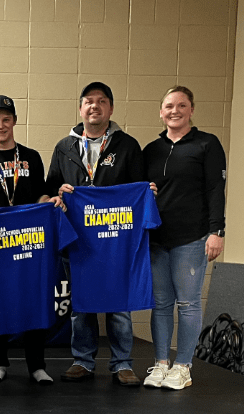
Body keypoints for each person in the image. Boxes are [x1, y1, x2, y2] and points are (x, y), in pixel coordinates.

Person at [46, 82, 144, 386]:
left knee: (119, 304)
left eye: (101, 101)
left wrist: (147, 192)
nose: (94, 106)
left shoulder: (127, 146)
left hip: (115, 241)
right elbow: (50, 189)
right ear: (80, 108)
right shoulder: (64, 146)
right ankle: (83, 361)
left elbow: (139, 189)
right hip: (78, 240)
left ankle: (122, 363)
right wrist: (56, 195)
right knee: (81, 303)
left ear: (111, 109)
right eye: (89, 101)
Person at [0, 95, 64, 384]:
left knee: (34, 299)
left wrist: (49, 202)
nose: (1, 125)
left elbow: (41, 195)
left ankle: (36, 365)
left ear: (14, 121)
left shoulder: (31, 157)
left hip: (30, 242)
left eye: (6, 119)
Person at [142, 86, 226, 390]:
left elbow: (216, 189)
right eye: (168, 106)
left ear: (191, 109)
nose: (174, 111)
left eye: (181, 105)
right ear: (161, 112)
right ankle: (162, 364)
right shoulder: (152, 149)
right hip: (157, 238)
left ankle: (183, 366)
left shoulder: (207, 144)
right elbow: (139, 188)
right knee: (161, 304)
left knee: (188, 303)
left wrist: (217, 232)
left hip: (192, 237)